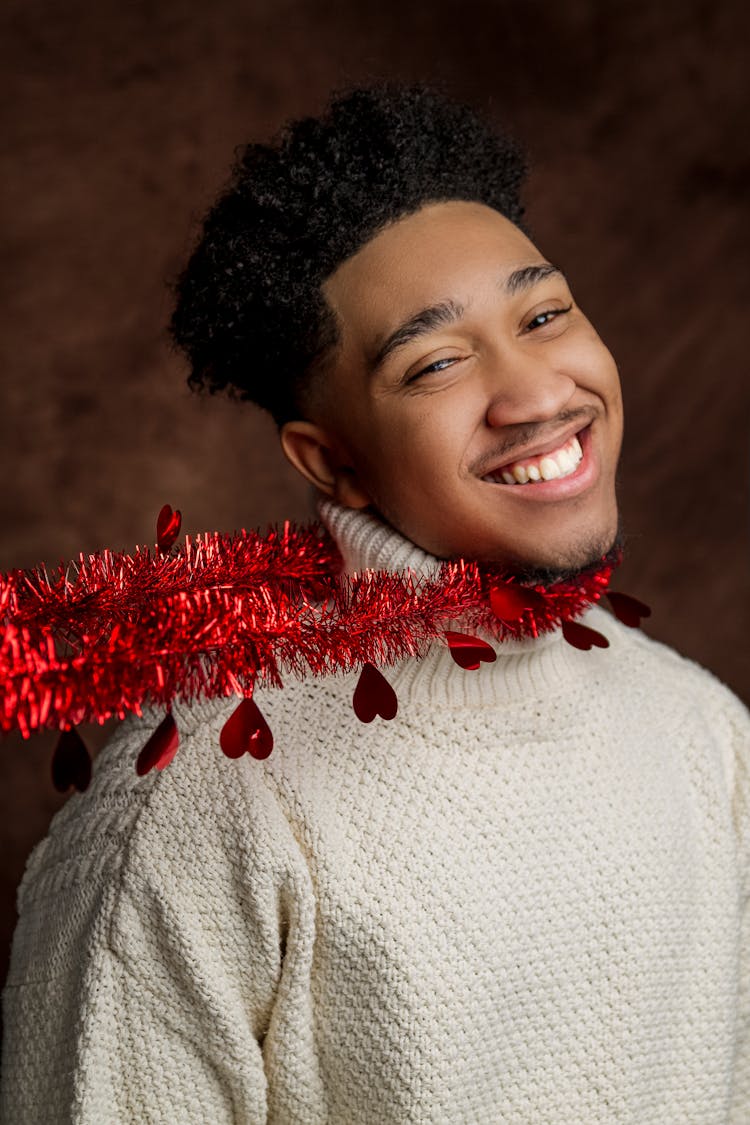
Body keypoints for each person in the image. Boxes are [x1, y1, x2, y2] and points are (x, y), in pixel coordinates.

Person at [2, 80, 748, 1124]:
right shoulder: (188, 812)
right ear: (332, 463)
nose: (536, 393)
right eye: (437, 361)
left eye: (543, 314)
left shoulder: (703, 732)